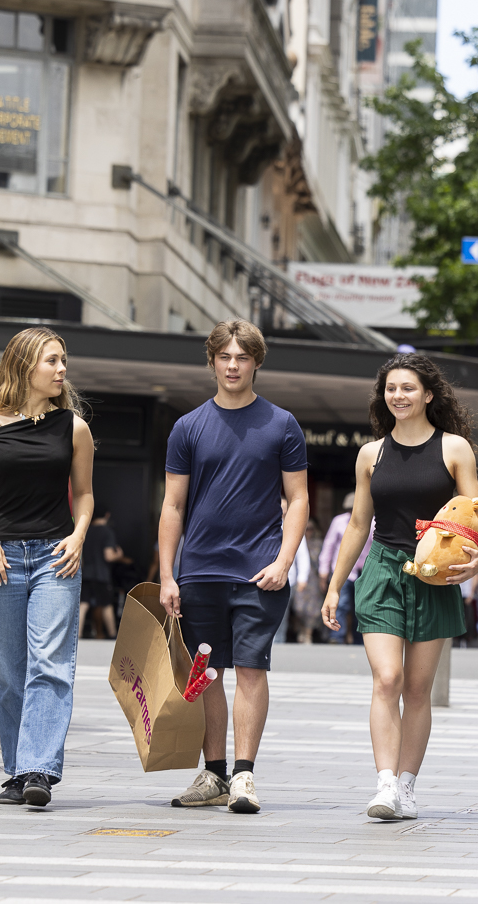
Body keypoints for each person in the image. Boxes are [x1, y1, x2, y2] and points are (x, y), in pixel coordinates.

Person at [322, 352, 478, 821]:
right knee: (388, 679)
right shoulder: (370, 454)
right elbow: (358, 524)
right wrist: (335, 585)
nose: (399, 395)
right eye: (391, 389)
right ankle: (385, 784)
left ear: (428, 395)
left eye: (408, 388)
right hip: (381, 571)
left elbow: (473, 513)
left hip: (435, 574)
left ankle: (408, 787)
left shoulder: (454, 448)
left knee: (418, 689)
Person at [159, 320, 308, 815]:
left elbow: (298, 499)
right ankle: (214, 773)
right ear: (211, 361)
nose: (232, 365)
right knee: (208, 673)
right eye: (224, 356)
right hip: (200, 572)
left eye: (242, 357)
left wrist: (284, 561)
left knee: (250, 668)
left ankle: (244, 775)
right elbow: (173, 507)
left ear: (256, 362)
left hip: (259, 573)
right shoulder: (187, 427)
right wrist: (167, 574)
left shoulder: (282, 424)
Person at [0, 327, 95, 809]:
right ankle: (16, 771)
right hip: (2, 560)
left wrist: (77, 536)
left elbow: (85, 494)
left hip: (57, 556)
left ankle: (39, 769)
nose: (61, 370)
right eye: (52, 361)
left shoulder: (73, 427)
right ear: (25, 365)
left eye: (63, 362)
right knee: (11, 671)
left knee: (50, 664)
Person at [318, 493, 365, 643]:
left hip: (363, 571)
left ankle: (359, 638)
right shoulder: (338, 522)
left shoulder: (372, 521)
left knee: (362, 606)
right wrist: (323, 572)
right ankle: (336, 636)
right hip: (343, 570)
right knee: (340, 603)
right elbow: (328, 546)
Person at [79, 505, 122, 639]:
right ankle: (112, 635)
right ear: (107, 515)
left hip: (86, 573)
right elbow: (108, 555)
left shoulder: (86, 531)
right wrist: (119, 555)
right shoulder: (107, 532)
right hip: (101, 574)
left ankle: (77, 635)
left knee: (83, 604)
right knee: (106, 604)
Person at [288, 517, 322, 644]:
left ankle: (308, 634)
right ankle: (299, 630)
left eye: (310, 529)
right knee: (299, 608)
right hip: (298, 579)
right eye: (306, 529)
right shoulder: (295, 541)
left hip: (313, 580)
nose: (308, 532)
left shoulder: (318, 544)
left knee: (313, 609)